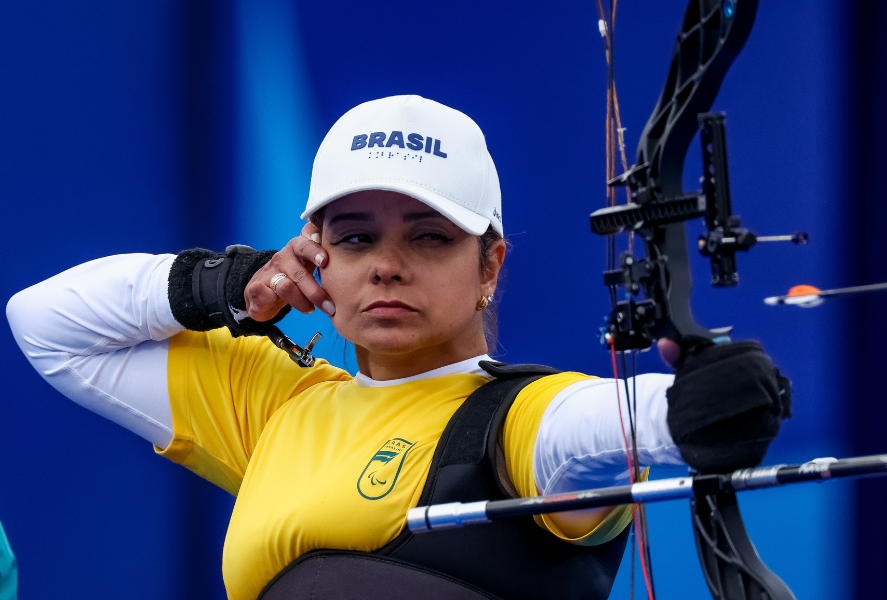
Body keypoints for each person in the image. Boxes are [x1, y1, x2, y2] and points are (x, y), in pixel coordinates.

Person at [7, 95, 789, 600]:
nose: (386, 263)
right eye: (354, 238)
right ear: (315, 254)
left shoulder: (517, 417)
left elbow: (598, 426)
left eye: (428, 237)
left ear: (490, 264)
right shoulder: (278, 403)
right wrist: (227, 284)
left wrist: (684, 408)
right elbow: (46, 325)